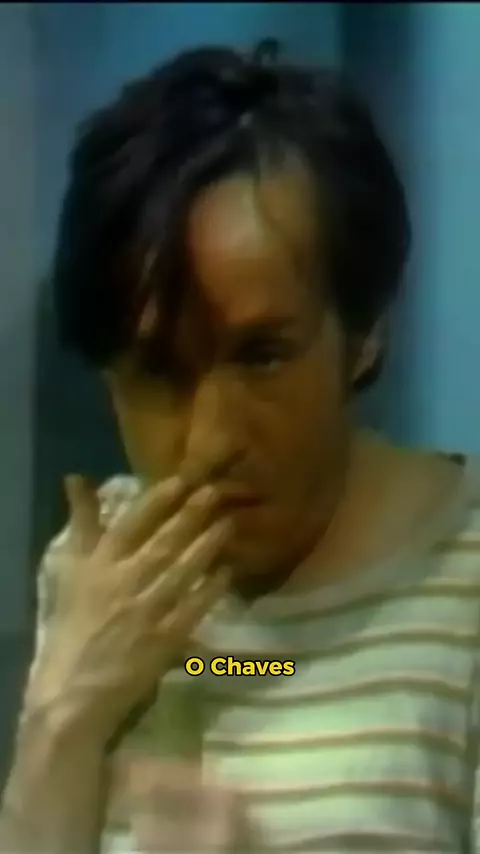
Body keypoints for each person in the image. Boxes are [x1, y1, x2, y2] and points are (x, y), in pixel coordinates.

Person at [2, 39, 480, 854]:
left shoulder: (463, 590)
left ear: (364, 332)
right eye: (159, 372)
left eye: (262, 356)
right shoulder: (101, 572)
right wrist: (66, 716)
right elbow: (252, 669)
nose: (212, 443)